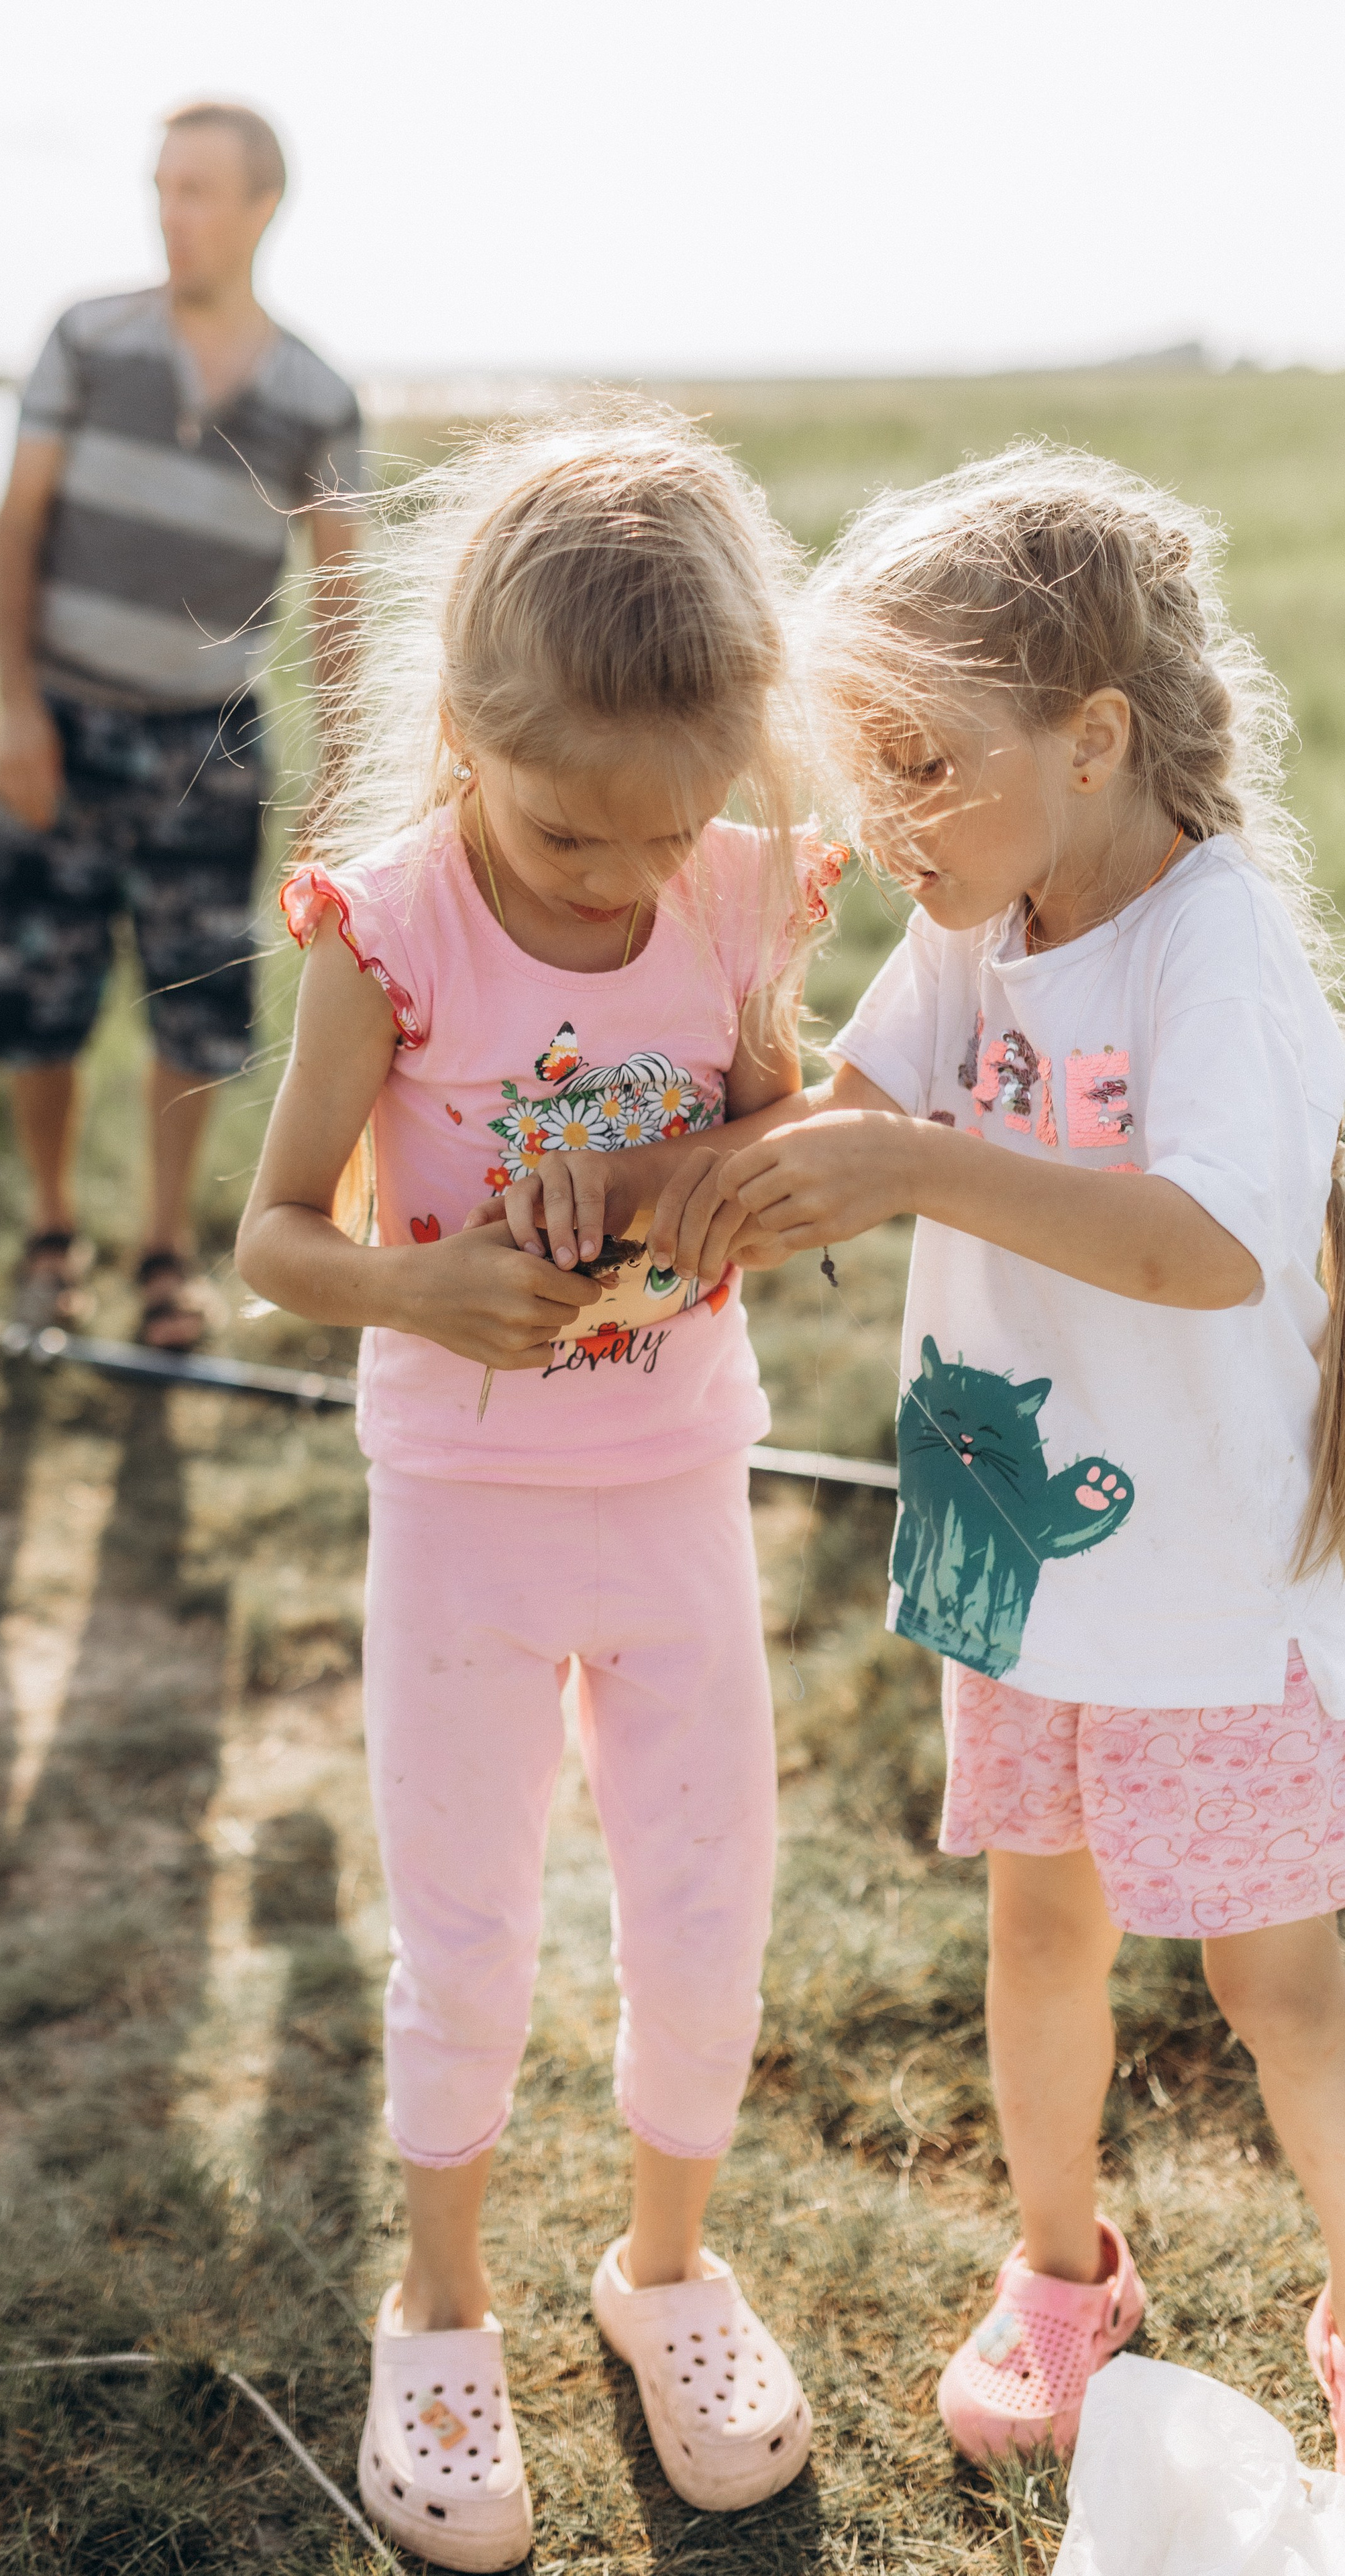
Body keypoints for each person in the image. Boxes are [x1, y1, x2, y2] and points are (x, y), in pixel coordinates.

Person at [235, 407, 839, 2568]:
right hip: (464, 1521)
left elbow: (787, 1138)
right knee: (470, 1932)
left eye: (663, 834)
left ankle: (665, 2269)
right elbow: (274, 1237)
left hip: (679, 1488)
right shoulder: (391, 926)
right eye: (575, 831)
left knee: (705, 1904)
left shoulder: (735, 889)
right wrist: (429, 1286)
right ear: (465, 732)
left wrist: (680, 1170)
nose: (616, 877)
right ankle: (439, 2306)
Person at [711, 446, 1345, 2472]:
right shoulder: (984, 910)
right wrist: (662, 1151)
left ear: (1093, 736)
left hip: (1207, 1584)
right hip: (1021, 1553)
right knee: (1038, 1923)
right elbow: (854, 1111)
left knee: (1275, 1980)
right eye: (864, 770)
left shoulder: (1209, 949)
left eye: (920, 764)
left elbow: (1205, 1241)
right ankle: (1064, 2274)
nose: (886, 817)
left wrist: (918, 1169)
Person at [0, 99, 362, 1346]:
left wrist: (340, 776)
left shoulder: (317, 395)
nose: (170, 214)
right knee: (41, 993)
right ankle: (49, 1237)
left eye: (196, 190)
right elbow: (17, 527)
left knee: (194, 1010)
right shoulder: (86, 339)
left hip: (213, 743)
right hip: (62, 724)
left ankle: (162, 1255)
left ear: (262, 206)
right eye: (161, 188)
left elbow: (342, 600)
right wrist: (16, 710)